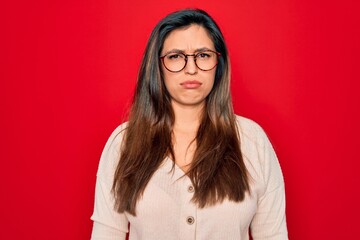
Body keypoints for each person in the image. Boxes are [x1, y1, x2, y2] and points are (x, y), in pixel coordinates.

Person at [90, 9, 288, 240]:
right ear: (157, 66)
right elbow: (106, 234)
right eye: (175, 56)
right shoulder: (123, 144)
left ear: (218, 63)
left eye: (203, 55)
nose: (191, 68)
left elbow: (273, 235)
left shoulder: (253, 141)